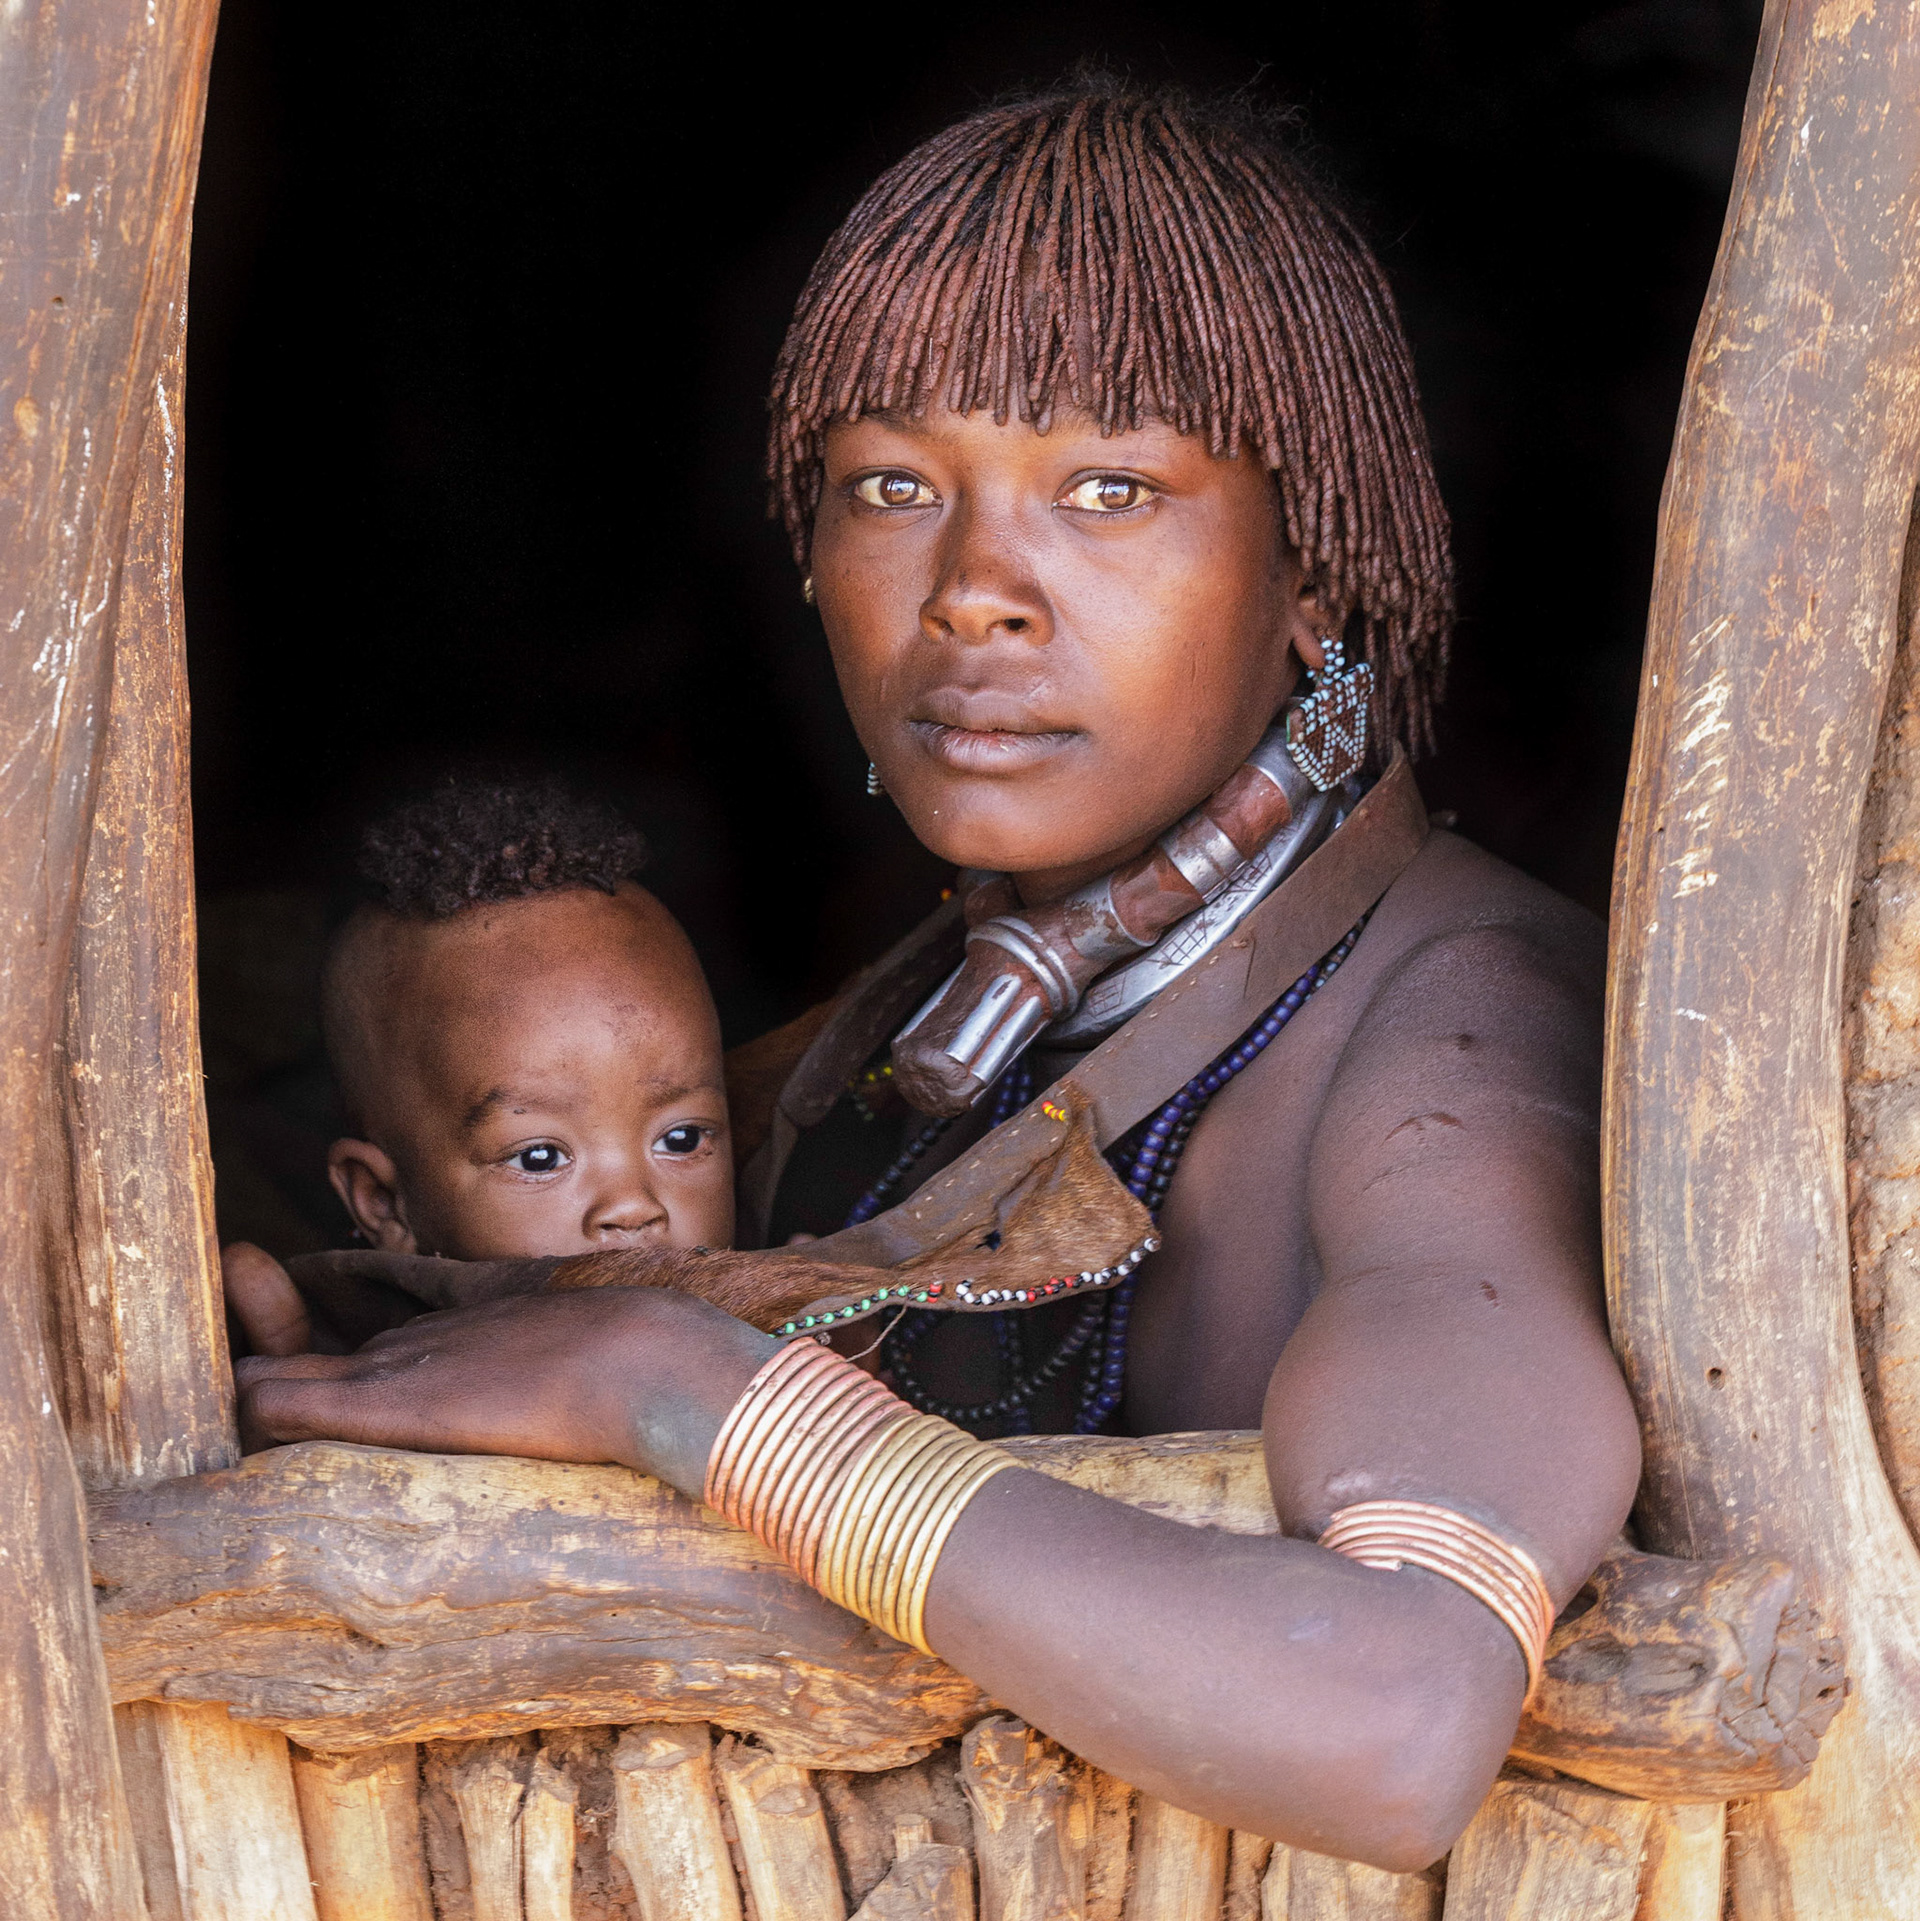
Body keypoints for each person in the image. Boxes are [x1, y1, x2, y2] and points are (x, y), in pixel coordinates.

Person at [230, 84, 1641, 1868]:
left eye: (1111, 488)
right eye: (891, 487)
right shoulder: (926, 1026)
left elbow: (1395, 1719)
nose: (975, 589)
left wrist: (679, 1394)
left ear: (1318, 574)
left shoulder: (1458, 1034)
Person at [222, 780, 733, 1356]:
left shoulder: (787, 1331)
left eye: (682, 1139)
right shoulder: (360, 1386)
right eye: (538, 1157)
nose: (634, 1206)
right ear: (384, 1204)